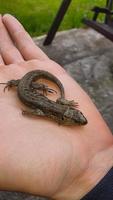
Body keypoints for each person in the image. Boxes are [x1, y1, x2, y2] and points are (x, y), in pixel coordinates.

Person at [0, 14, 113, 200]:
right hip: (24, 86)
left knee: (28, 84)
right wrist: (27, 111)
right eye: (75, 116)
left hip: (28, 86)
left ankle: (32, 84)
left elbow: (49, 106)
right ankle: (20, 83)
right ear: (63, 118)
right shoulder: (48, 111)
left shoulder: (52, 109)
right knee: (16, 82)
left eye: (75, 116)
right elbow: (34, 110)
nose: (80, 120)